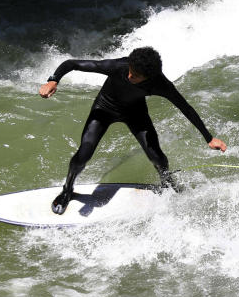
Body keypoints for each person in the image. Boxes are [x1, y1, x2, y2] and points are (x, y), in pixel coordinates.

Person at [39, 47, 227, 214]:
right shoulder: (119, 66)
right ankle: (67, 190)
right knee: (84, 154)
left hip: (135, 113)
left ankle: (168, 184)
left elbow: (185, 107)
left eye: (135, 76)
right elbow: (72, 63)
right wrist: (53, 80)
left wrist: (209, 138)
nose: (129, 76)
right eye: (130, 71)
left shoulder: (160, 84)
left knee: (158, 158)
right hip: (104, 109)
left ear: (149, 77)